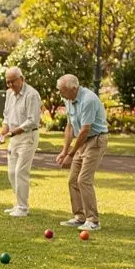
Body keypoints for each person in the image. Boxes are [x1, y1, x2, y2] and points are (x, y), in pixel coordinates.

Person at [56, 74, 108, 232]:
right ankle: (80, 217)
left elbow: (85, 130)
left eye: (62, 90)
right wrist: (65, 151)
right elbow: (70, 126)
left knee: (83, 180)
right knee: (73, 180)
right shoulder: (68, 99)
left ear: (74, 88)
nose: (60, 94)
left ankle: (93, 220)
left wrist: (71, 155)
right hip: (82, 141)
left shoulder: (88, 100)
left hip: (95, 140)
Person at [0, 66, 41, 217]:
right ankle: (18, 204)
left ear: (22, 79)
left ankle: (23, 207)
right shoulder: (9, 94)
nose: (10, 85)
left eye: (12, 82)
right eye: (7, 82)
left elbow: (32, 121)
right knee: (11, 172)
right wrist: (3, 133)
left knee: (21, 171)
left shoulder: (32, 95)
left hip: (28, 137)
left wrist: (12, 132)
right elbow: (7, 117)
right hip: (13, 137)